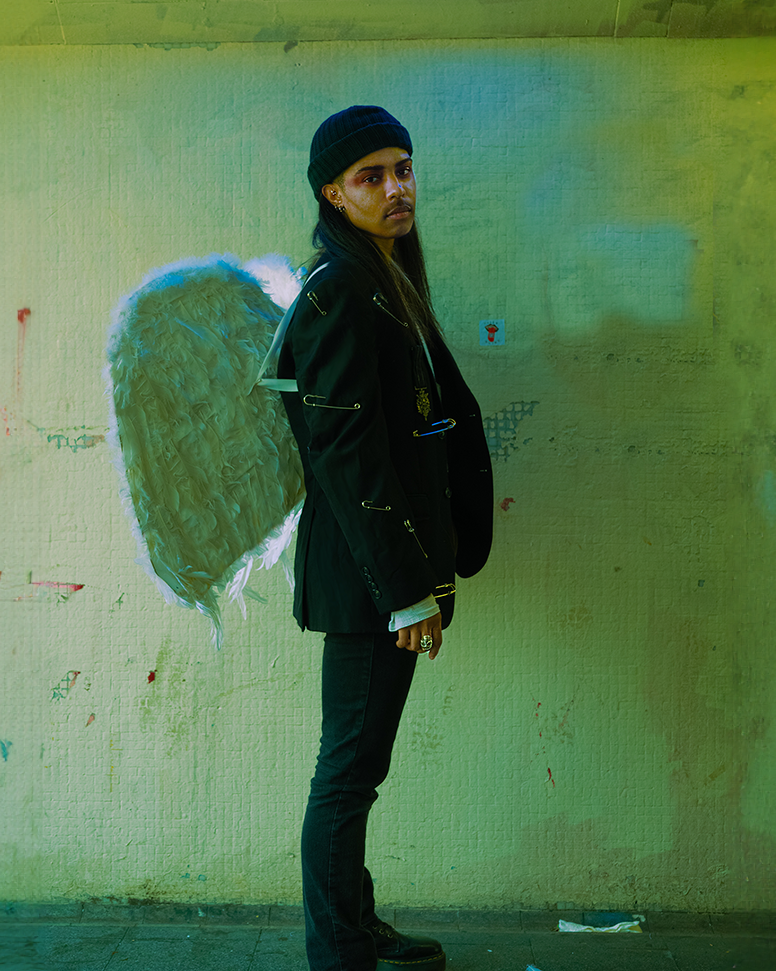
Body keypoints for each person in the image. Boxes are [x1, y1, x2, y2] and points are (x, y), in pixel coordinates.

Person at [272, 106, 494, 971]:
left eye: (403, 168)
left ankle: (354, 930)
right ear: (334, 192)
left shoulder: (384, 278)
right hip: (370, 582)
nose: (397, 188)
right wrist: (405, 592)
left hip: (386, 575)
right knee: (347, 774)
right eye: (372, 176)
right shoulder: (340, 290)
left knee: (357, 768)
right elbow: (346, 455)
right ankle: (340, 953)